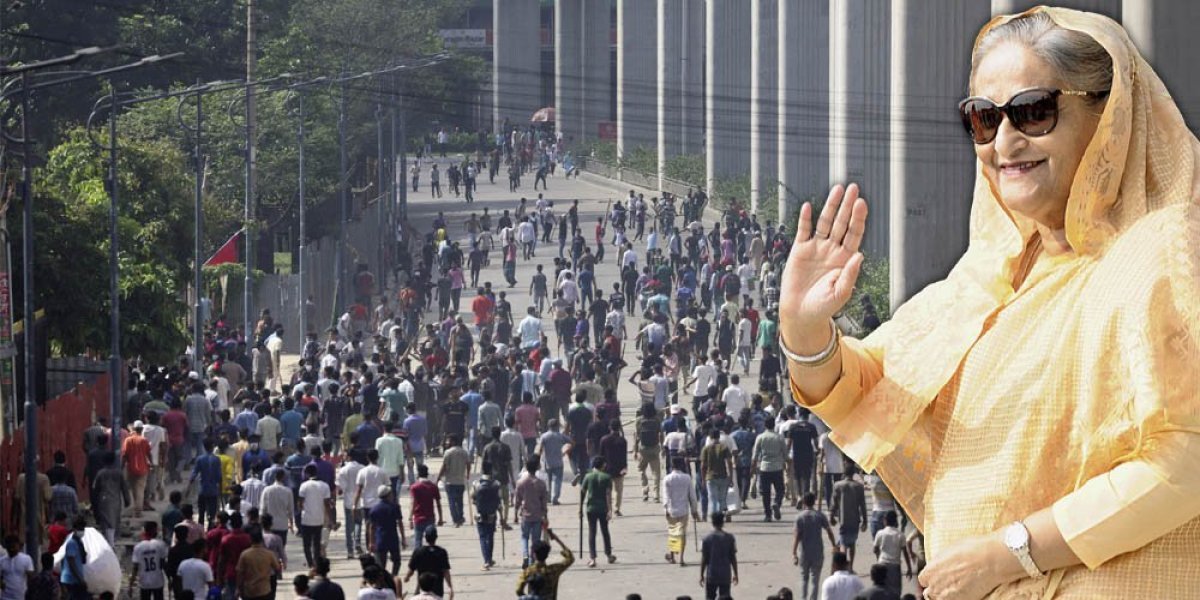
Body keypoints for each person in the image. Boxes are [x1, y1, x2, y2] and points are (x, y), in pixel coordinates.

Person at [781, 8, 1200, 599]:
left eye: (1033, 110)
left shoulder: (1163, 251)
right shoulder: (994, 276)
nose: (1004, 141)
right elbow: (873, 389)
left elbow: (1184, 460)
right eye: (983, 119)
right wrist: (804, 330)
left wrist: (1010, 555)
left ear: (1109, 116)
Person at [792, 493, 837, 600]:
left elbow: (797, 536)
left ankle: (803, 598)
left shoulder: (799, 517)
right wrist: (833, 545)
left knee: (804, 578)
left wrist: (794, 553)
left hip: (804, 552)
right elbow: (829, 532)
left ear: (803, 502)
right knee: (815, 579)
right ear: (814, 501)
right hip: (817, 551)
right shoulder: (819, 515)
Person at [662, 457, 700, 567]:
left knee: (673, 532)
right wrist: (694, 510)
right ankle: (682, 559)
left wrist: (665, 509)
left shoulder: (667, 479)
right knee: (682, 534)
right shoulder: (687, 478)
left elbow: (666, 496)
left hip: (671, 509)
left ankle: (673, 556)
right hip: (683, 510)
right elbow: (692, 496)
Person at [579, 456, 616, 568]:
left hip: (591, 508)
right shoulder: (607, 477)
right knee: (605, 531)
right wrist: (610, 510)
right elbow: (608, 494)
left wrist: (580, 508)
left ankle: (592, 558)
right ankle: (609, 554)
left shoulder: (588, 477)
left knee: (592, 532)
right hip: (603, 508)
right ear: (603, 465)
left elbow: (582, 493)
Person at [515, 529, 574, 600]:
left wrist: (528, 597)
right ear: (547, 555)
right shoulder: (553, 570)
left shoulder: (528, 571)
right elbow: (570, 558)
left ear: (534, 554)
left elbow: (518, 590)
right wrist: (556, 539)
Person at [513, 457, 550, 568]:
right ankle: (531, 561)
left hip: (525, 515)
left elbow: (517, 500)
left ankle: (525, 556)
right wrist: (545, 515)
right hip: (538, 516)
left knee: (524, 537)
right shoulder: (541, 484)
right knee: (536, 540)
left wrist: (515, 514)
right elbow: (544, 502)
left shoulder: (521, 483)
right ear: (537, 468)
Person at [298, 464, 335, 568]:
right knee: (317, 544)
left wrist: (302, 509)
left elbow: (300, 503)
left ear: (308, 473)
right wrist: (331, 520)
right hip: (319, 519)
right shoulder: (324, 486)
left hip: (306, 519)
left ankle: (310, 564)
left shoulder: (304, 486)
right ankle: (317, 563)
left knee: (306, 544)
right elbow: (327, 505)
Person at [830, 469, 868, 572]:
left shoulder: (838, 485)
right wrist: (865, 521)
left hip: (843, 519)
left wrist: (831, 516)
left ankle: (843, 567)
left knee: (843, 543)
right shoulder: (858, 487)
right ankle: (850, 566)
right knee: (852, 543)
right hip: (855, 520)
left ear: (843, 474)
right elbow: (863, 505)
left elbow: (834, 503)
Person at [367, 486, 407, 577]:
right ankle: (393, 577)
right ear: (388, 495)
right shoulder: (395, 507)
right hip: (393, 538)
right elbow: (400, 523)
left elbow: (372, 527)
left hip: (380, 538)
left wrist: (371, 542)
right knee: (397, 561)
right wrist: (403, 538)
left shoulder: (374, 509)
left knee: (381, 565)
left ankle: (383, 581)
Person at [404, 528, 453, 599]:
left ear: (425, 537)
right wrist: (449, 586)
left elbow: (411, 569)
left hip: (423, 585)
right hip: (437, 587)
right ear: (436, 537)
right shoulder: (442, 552)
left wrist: (407, 577)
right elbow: (446, 571)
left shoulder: (418, 551)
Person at [470, 460, 502, 570]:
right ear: (491, 470)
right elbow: (499, 501)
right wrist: (501, 515)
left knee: (483, 537)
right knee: (490, 536)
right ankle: (489, 558)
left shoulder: (476, 484)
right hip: (492, 515)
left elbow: (472, 498)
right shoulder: (496, 484)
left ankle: (486, 561)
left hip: (479, 515)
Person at [699, 512, 738, 600]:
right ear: (723, 522)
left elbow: (704, 558)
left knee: (710, 597)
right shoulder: (730, 538)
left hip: (712, 574)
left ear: (712, 523)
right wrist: (736, 573)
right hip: (725, 574)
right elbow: (733, 558)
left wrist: (701, 575)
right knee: (725, 598)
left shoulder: (706, 539)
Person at [871, 511, 910, 598]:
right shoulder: (900, 535)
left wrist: (878, 558)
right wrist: (909, 568)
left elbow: (875, 549)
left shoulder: (880, 533)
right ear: (895, 521)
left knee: (883, 590)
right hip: (895, 566)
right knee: (896, 591)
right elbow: (905, 552)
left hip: (882, 564)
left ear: (885, 521)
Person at [236, 527, 282, 600]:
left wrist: (240, 589)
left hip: (250, 591)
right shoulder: (269, 554)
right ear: (262, 540)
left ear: (250, 540)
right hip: (265, 590)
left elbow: (240, 573)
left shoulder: (245, 554)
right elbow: (277, 568)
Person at [130, 522, 169, 600]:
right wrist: (169, 578)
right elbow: (163, 564)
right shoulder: (160, 545)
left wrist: (130, 584)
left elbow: (135, 568)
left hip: (144, 581)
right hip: (157, 580)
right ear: (155, 531)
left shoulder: (138, 547)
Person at [409, 464, 444, 550]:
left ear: (418, 474)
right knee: (432, 542)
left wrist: (410, 518)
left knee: (418, 541)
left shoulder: (414, 487)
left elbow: (413, 503)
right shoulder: (433, 487)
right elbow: (438, 504)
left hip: (418, 518)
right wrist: (440, 518)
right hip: (430, 518)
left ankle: (418, 560)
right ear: (427, 474)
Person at [0, 534, 34, 600]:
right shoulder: (2, 561)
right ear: (6, 547)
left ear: (19, 546)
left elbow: (31, 578)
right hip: (5, 597)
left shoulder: (26, 559)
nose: (12, 549)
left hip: (21, 596)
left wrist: (30, 593)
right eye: (9, 547)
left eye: (13, 547)